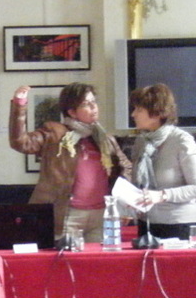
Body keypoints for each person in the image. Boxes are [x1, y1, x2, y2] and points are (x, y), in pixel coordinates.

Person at [8, 82, 132, 242]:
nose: (94, 107)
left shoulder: (103, 138)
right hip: (67, 215)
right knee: (65, 264)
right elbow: (20, 141)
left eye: (94, 102)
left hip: (101, 215)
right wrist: (19, 105)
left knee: (99, 264)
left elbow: (126, 168)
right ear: (72, 112)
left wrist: (124, 204)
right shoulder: (55, 133)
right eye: (86, 104)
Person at [129, 83, 196, 240]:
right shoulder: (141, 141)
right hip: (147, 223)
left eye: (139, 110)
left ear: (156, 113)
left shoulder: (182, 141)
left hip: (179, 225)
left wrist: (161, 195)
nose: (133, 114)